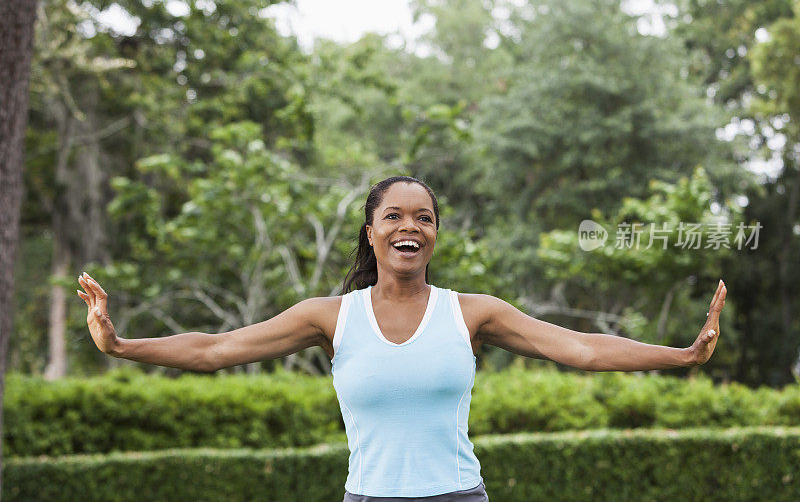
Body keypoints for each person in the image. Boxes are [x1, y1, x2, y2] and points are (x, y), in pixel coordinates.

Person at [78, 175, 727, 501]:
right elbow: (217, 348)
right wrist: (122, 344)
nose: (408, 225)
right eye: (394, 215)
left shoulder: (471, 313)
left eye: (424, 217)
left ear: (435, 234)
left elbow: (581, 348)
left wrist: (682, 353)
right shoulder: (329, 317)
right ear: (371, 231)